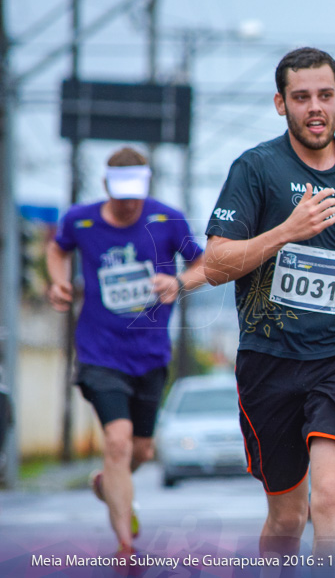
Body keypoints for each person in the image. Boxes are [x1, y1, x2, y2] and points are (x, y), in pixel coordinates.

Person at [204, 47, 335, 558]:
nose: (314, 108)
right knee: (287, 516)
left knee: (332, 500)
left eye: (324, 95)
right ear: (281, 104)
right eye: (300, 97)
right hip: (269, 358)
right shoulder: (255, 168)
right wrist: (287, 231)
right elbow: (215, 264)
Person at [45, 146, 206, 555]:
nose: (130, 201)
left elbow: (205, 264)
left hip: (150, 354)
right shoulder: (79, 219)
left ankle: (109, 484)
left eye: (137, 191)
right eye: (121, 192)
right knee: (117, 442)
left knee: (140, 450)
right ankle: (123, 542)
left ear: (147, 184)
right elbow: (57, 248)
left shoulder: (167, 219)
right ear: (106, 186)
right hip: (99, 352)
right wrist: (59, 281)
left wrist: (180, 283)